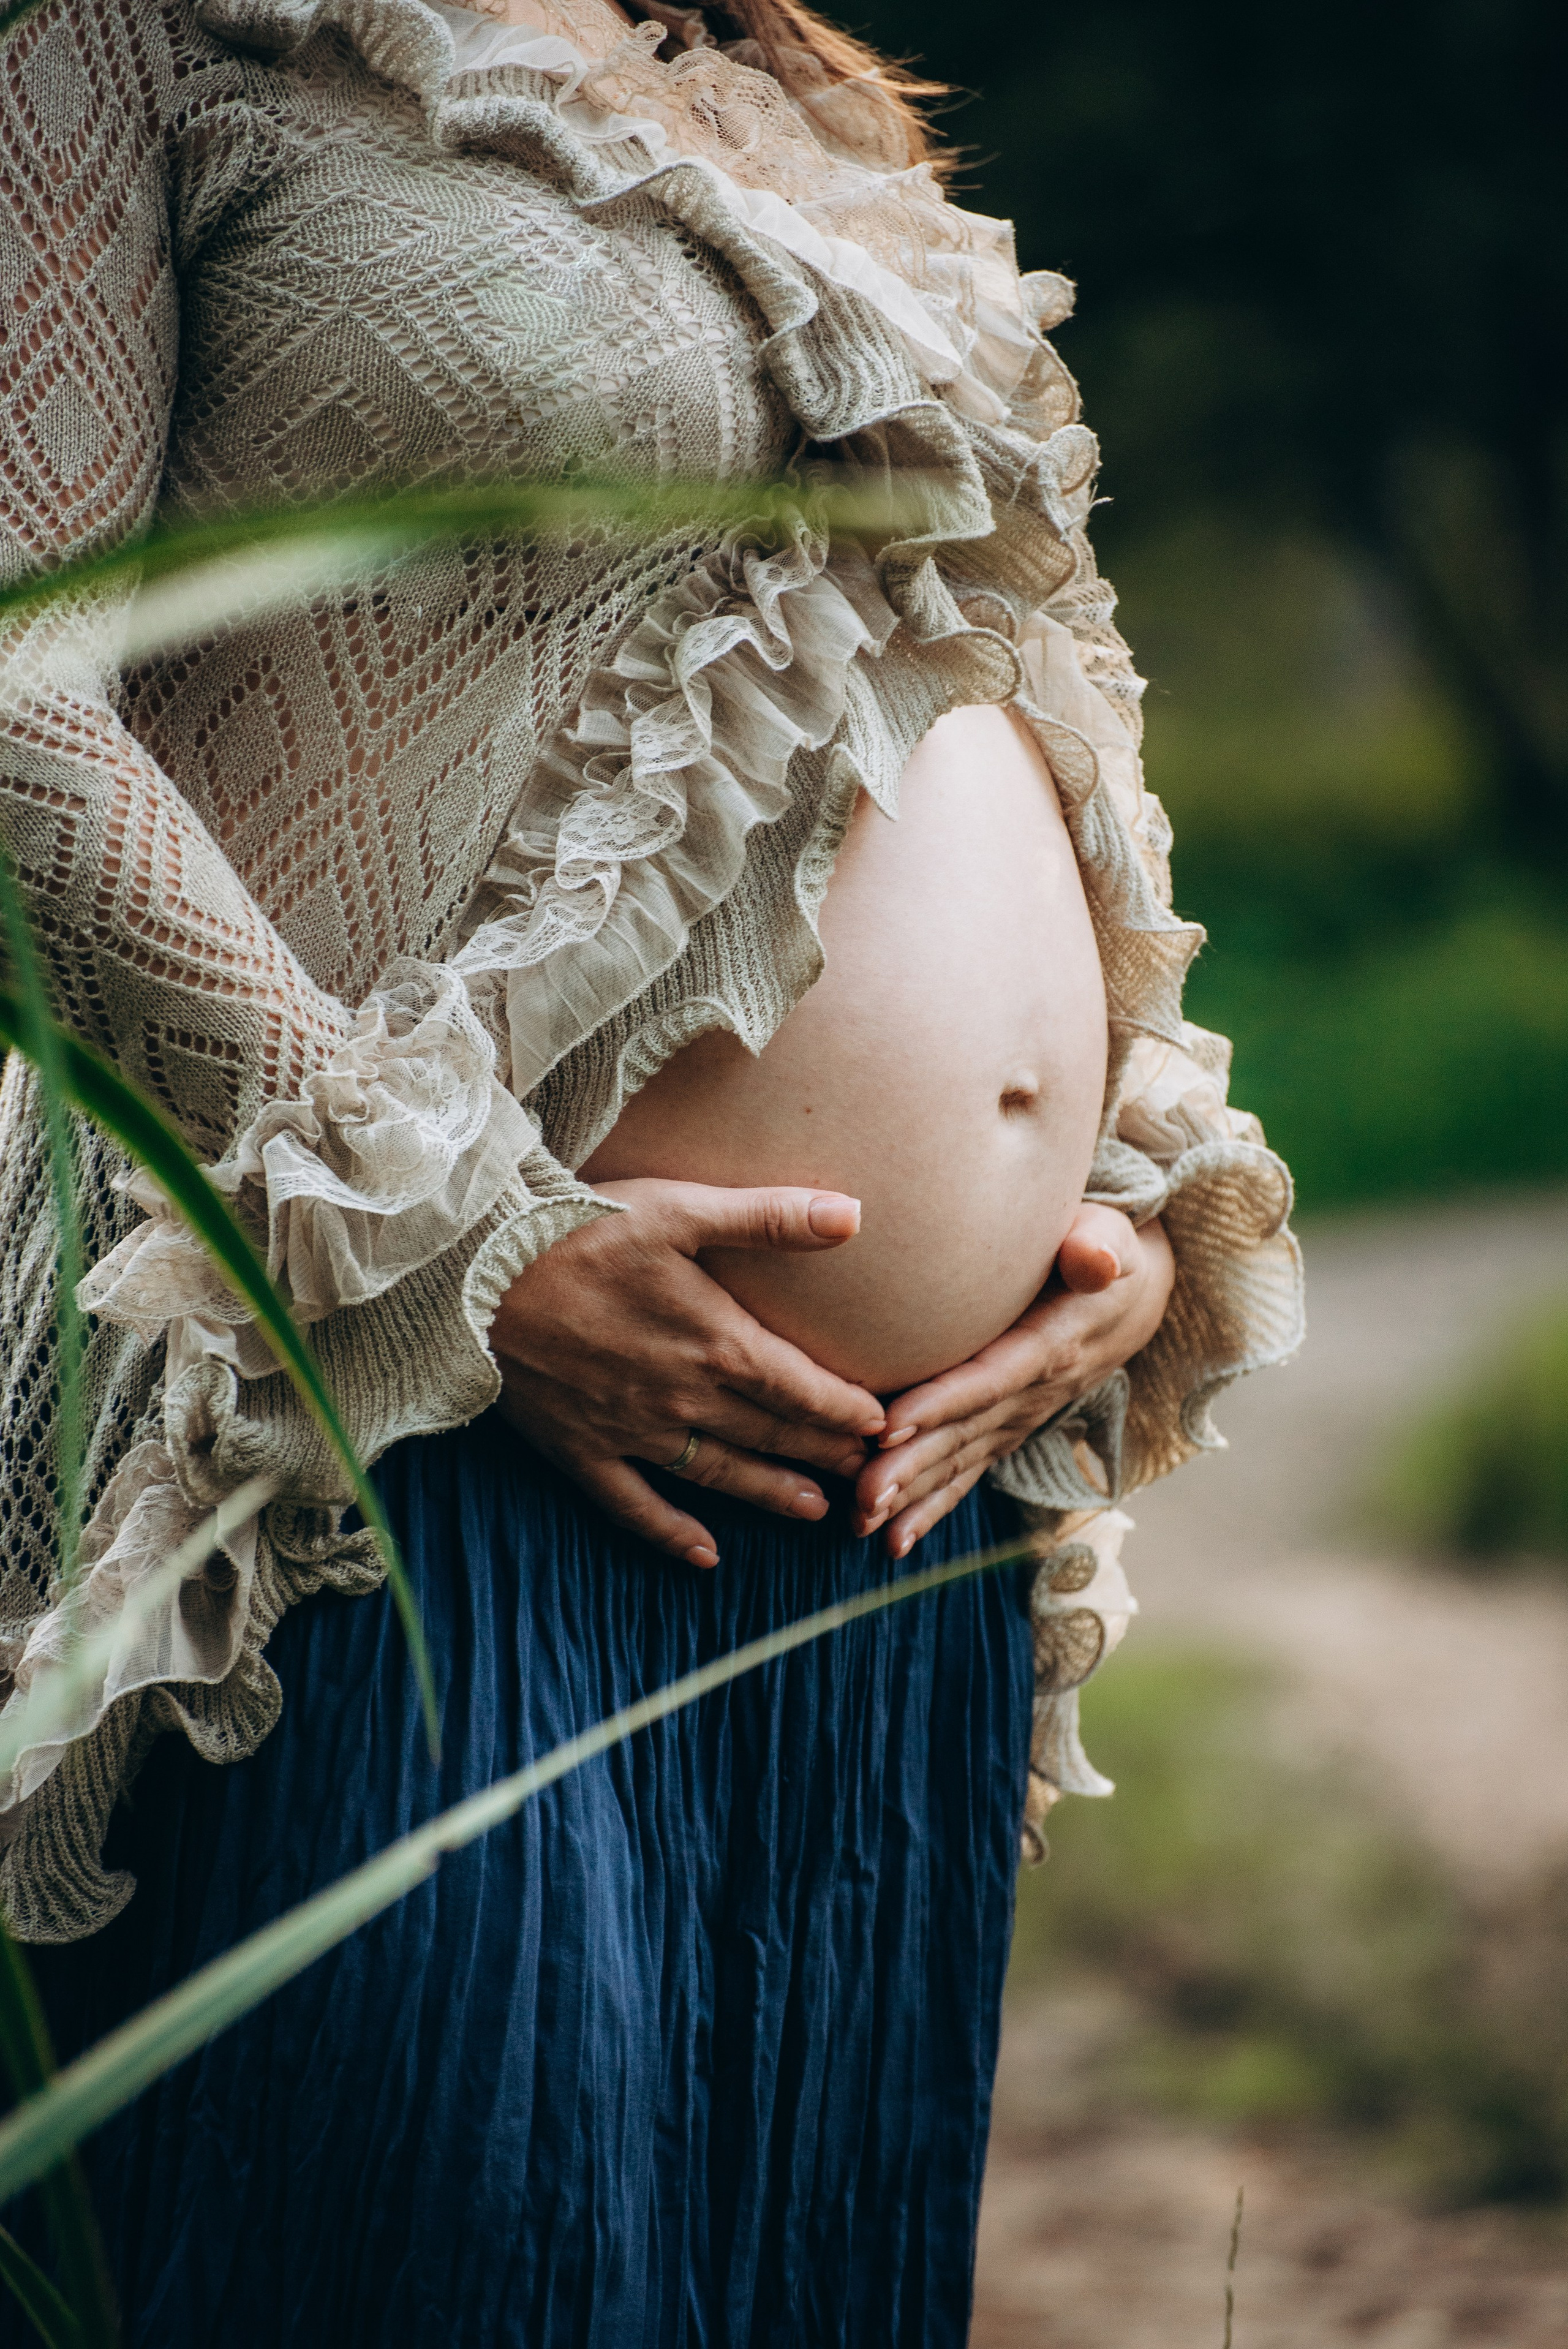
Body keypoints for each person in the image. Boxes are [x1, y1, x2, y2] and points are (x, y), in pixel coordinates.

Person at [0, 0, 1303, 2337]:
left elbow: (996, 671)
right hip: (409, 1431)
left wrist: (1124, 1173)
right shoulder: (143, 38)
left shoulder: (783, 87)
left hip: (902, 1503)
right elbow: (11, 683)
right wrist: (459, 1247)